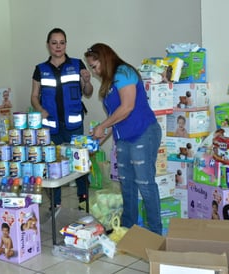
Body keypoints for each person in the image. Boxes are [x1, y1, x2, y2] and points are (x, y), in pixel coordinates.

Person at [85, 43, 162, 235]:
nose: (94, 72)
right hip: (124, 138)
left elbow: (127, 107)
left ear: (104, 59)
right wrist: (97, 140)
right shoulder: (109, 82)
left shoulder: (124, 72)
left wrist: (102, 125)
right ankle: (128, 228)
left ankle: (155, 233)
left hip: (142, 132)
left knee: (145, 183)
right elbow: (116, 118)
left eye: (94, 66)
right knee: (126, 183)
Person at [31, 28, 94, 211]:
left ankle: (83, 197)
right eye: (54, 42)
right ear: (48, 45)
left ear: (66, 44)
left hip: (74, 126)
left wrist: (88, 81)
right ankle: (55, 202)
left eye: (62, 42)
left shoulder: (77, 64)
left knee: (79, 164)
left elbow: (88, 93)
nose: (58, 46)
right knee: (52, 166)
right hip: (51, 128)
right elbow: (34, 96)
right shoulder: (40, 70)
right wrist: (40, 109)